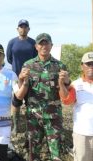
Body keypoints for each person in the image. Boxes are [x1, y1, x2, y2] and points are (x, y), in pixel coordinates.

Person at [13, 33, 69, 161]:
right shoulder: (28, 65)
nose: (44, 46)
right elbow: (22, 88)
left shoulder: (60, 66)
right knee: (33, 153)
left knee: (56, 154)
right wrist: (21, 79)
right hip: (34, 116)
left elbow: (66, 91)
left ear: (51, 45)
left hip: (53, 117)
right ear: (36, 46)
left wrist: (66, 81)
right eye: (41, 43)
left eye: (46, 43)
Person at [6, 19, 37, 134]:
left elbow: (36, 60)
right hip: (15, 77)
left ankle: (31, 126)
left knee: (30, 102)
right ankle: (15, 125)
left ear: (28, 29)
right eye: (21, 27)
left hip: (31, 77)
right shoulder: (12, 42)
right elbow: (9, 58)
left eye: (25, 27)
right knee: (16, 101)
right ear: (17, 29)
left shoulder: (33, 43)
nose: (23, 29)